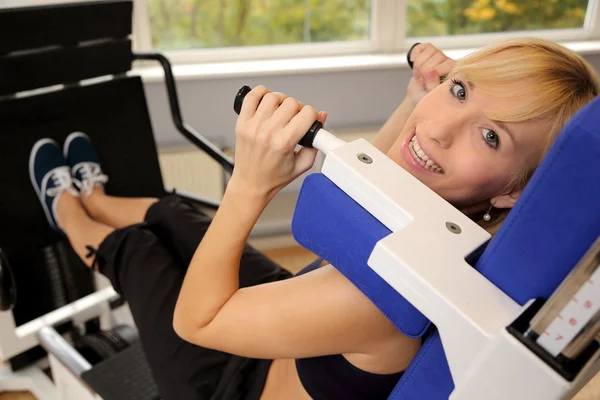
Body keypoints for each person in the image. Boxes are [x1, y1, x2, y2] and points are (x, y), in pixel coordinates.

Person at [28, 38, 599, 400]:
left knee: (139, 249)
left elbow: (198, 323)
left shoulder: (384, 296)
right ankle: (95, 195)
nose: (439, 126)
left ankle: (66, 208)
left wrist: (250, 184)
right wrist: (411, 100)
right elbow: (367, 187)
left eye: (491, 135)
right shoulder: (449, 224)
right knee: (176, 214)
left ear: (512, 194)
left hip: (229, 384)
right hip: (286, 329)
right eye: (458, 90)